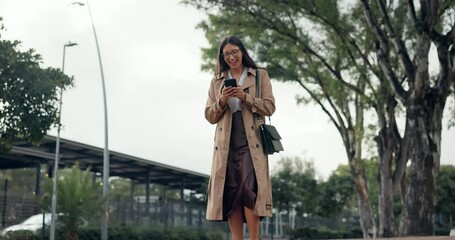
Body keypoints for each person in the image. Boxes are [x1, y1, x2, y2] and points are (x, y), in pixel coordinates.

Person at [204, 36, 275, 240]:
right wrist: (222, 100)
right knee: (231, 193)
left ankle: (253, 238)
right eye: (226, 54)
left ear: (242, 51)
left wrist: (245, 98)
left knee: (249, 189)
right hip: (226, 147)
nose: (231, 57)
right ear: (222, 56)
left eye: (234, 51)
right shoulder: (217, 80)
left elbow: (270, 106)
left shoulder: (260, 75)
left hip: (252, 144)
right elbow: (209, 116)